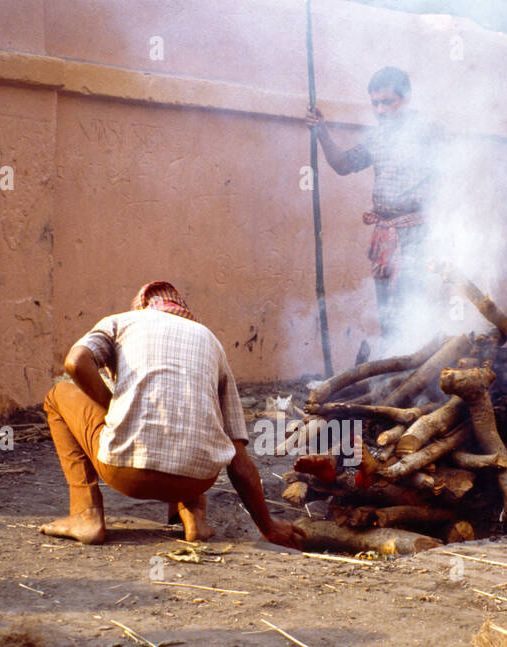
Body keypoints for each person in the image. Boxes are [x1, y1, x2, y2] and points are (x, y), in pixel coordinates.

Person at [41, 281, 305, 549]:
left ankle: (86, 514)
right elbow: (240, 463)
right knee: (188, 408)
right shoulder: (210, 341)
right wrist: (268, 527)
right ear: (183, 313)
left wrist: (111, 405)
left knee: (58, 395)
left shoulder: (121, 322)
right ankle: (194, 519)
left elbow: (75, 362)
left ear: (142, 308)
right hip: (195, 481)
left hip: (126, 475)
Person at [307, 67, 443, 345]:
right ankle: (394, 370)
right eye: (375, 103)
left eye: (387, 102)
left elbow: (452, 183)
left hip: (416, 235)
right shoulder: (377, 137)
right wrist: (321, 130)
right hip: (385, 235)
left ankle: (417, 371)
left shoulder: (430, 134)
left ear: (406, 99)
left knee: (411, 309)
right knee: (388, 312)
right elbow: (344, 165)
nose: (380, 110)